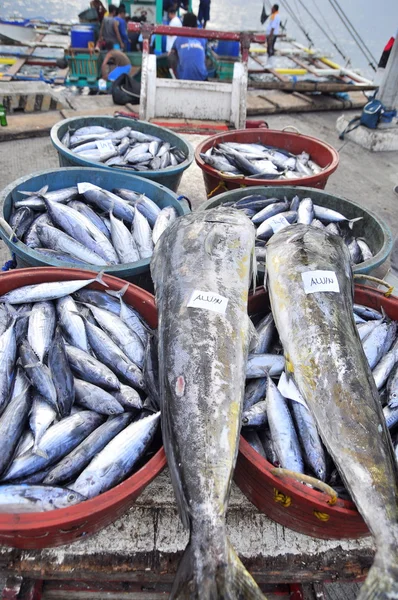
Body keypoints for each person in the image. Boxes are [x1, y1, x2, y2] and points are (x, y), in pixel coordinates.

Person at [169, 12, 207, 81]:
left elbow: (171, 53)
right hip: (202, 77)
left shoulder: (179, 38)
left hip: (183, 77)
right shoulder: (202, 38)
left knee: (172, 54)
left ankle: (177, 78)